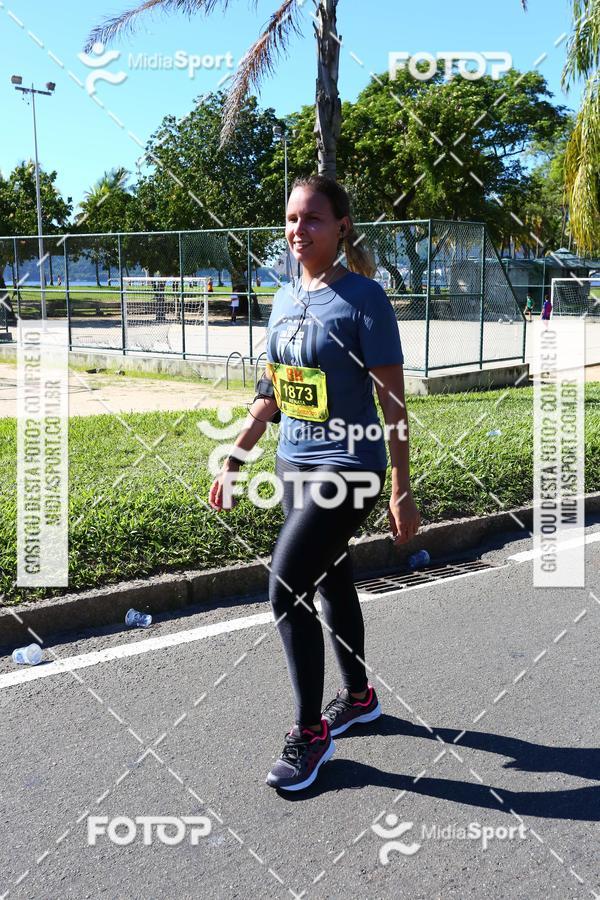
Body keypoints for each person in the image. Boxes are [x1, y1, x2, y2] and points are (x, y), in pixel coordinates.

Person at [208, 175, 421, 792]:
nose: (298, 230)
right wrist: (236, 456)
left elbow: (392, 404)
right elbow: (273, 390)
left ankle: (310, 733)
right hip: (294, 464)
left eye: (313, 219)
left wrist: (401, 486)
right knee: (330, 579)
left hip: (349, 467)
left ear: (342, 227)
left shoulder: (364, 300)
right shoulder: (282, 298)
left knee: (285, 585)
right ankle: (359, 697)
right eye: (292, 219)